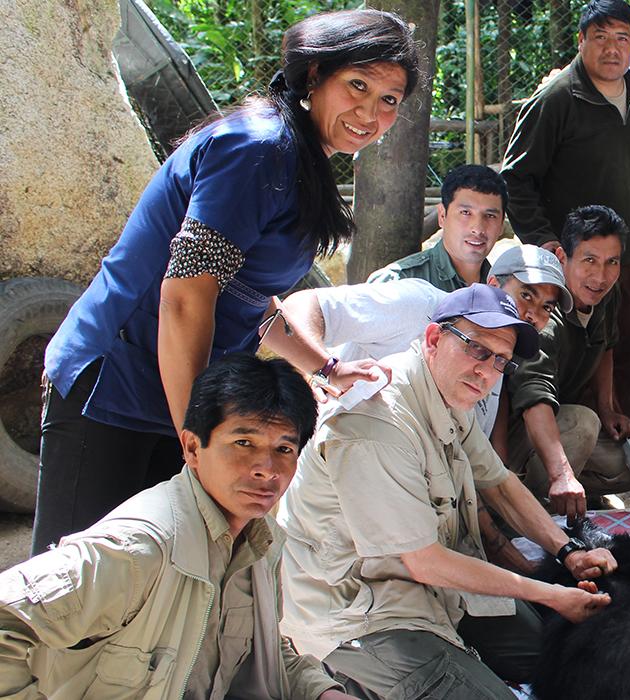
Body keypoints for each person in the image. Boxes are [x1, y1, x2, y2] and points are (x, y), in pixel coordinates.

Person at [34, 9, 420, 554]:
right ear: (314, 76)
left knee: (153, 589)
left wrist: (327, 367)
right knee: (70, 593)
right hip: (115, 383)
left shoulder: (298, 158)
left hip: (177, 391)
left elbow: (248, 300)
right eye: (357, 84)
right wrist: (199, 441)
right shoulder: (256, 148)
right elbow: (186, 296)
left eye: (389, 99)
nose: (370, 112)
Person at [277, 284, 616, 699]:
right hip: (363, 613)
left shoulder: (449, 394)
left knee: (566, 658)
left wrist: (568, 551)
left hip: (439, 591)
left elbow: (501, 484)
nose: (487, 372)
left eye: (500, 362)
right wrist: (550, 594)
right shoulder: (376, 423)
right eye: (477, 349)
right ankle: (339, 677)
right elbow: (425, 562)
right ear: (434, 339)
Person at [0, 354, 351, 699]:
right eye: (244, 443)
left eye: (284, 448)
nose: (267, 468)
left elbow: (265, 653)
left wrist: (323, 693)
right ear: (193, 447)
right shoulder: (139, 548)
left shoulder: (263, 543)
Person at [501, 0, 630, 433]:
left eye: (622, 38)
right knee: (571, 364)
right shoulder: (557, 98)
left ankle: (624, 451)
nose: (612, 49)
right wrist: (544, 243)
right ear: (581, 41)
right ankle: (571, 468)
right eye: (600, 37)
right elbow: (515, 178)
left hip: (625, 259)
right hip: (570, 263)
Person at [262, 244, 570, 441]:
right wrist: (324, 370)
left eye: (546, 307)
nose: (532, 314)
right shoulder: (418, 303)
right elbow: (301, 306)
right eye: (526, 294)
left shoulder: (499, 353)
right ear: (434, 339)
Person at [508, 206, 630, 518]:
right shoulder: (546, 313)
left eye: (612, 262)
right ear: (561, 257)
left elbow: (606, 345)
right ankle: (526, 514)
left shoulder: (605, 294)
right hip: (516, 430)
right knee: (584, 424)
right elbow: (533, 396)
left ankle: (567, 494)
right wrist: (561, 476)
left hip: (555, 418)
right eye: (589, 260)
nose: (601, 276)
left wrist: (607, 406)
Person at [368, 164, 511, 291]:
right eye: (466, 213)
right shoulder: (398, 283)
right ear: (442, 216)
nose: (478, 228)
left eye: (490, 215)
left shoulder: (503, 289)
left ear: (501, 225)